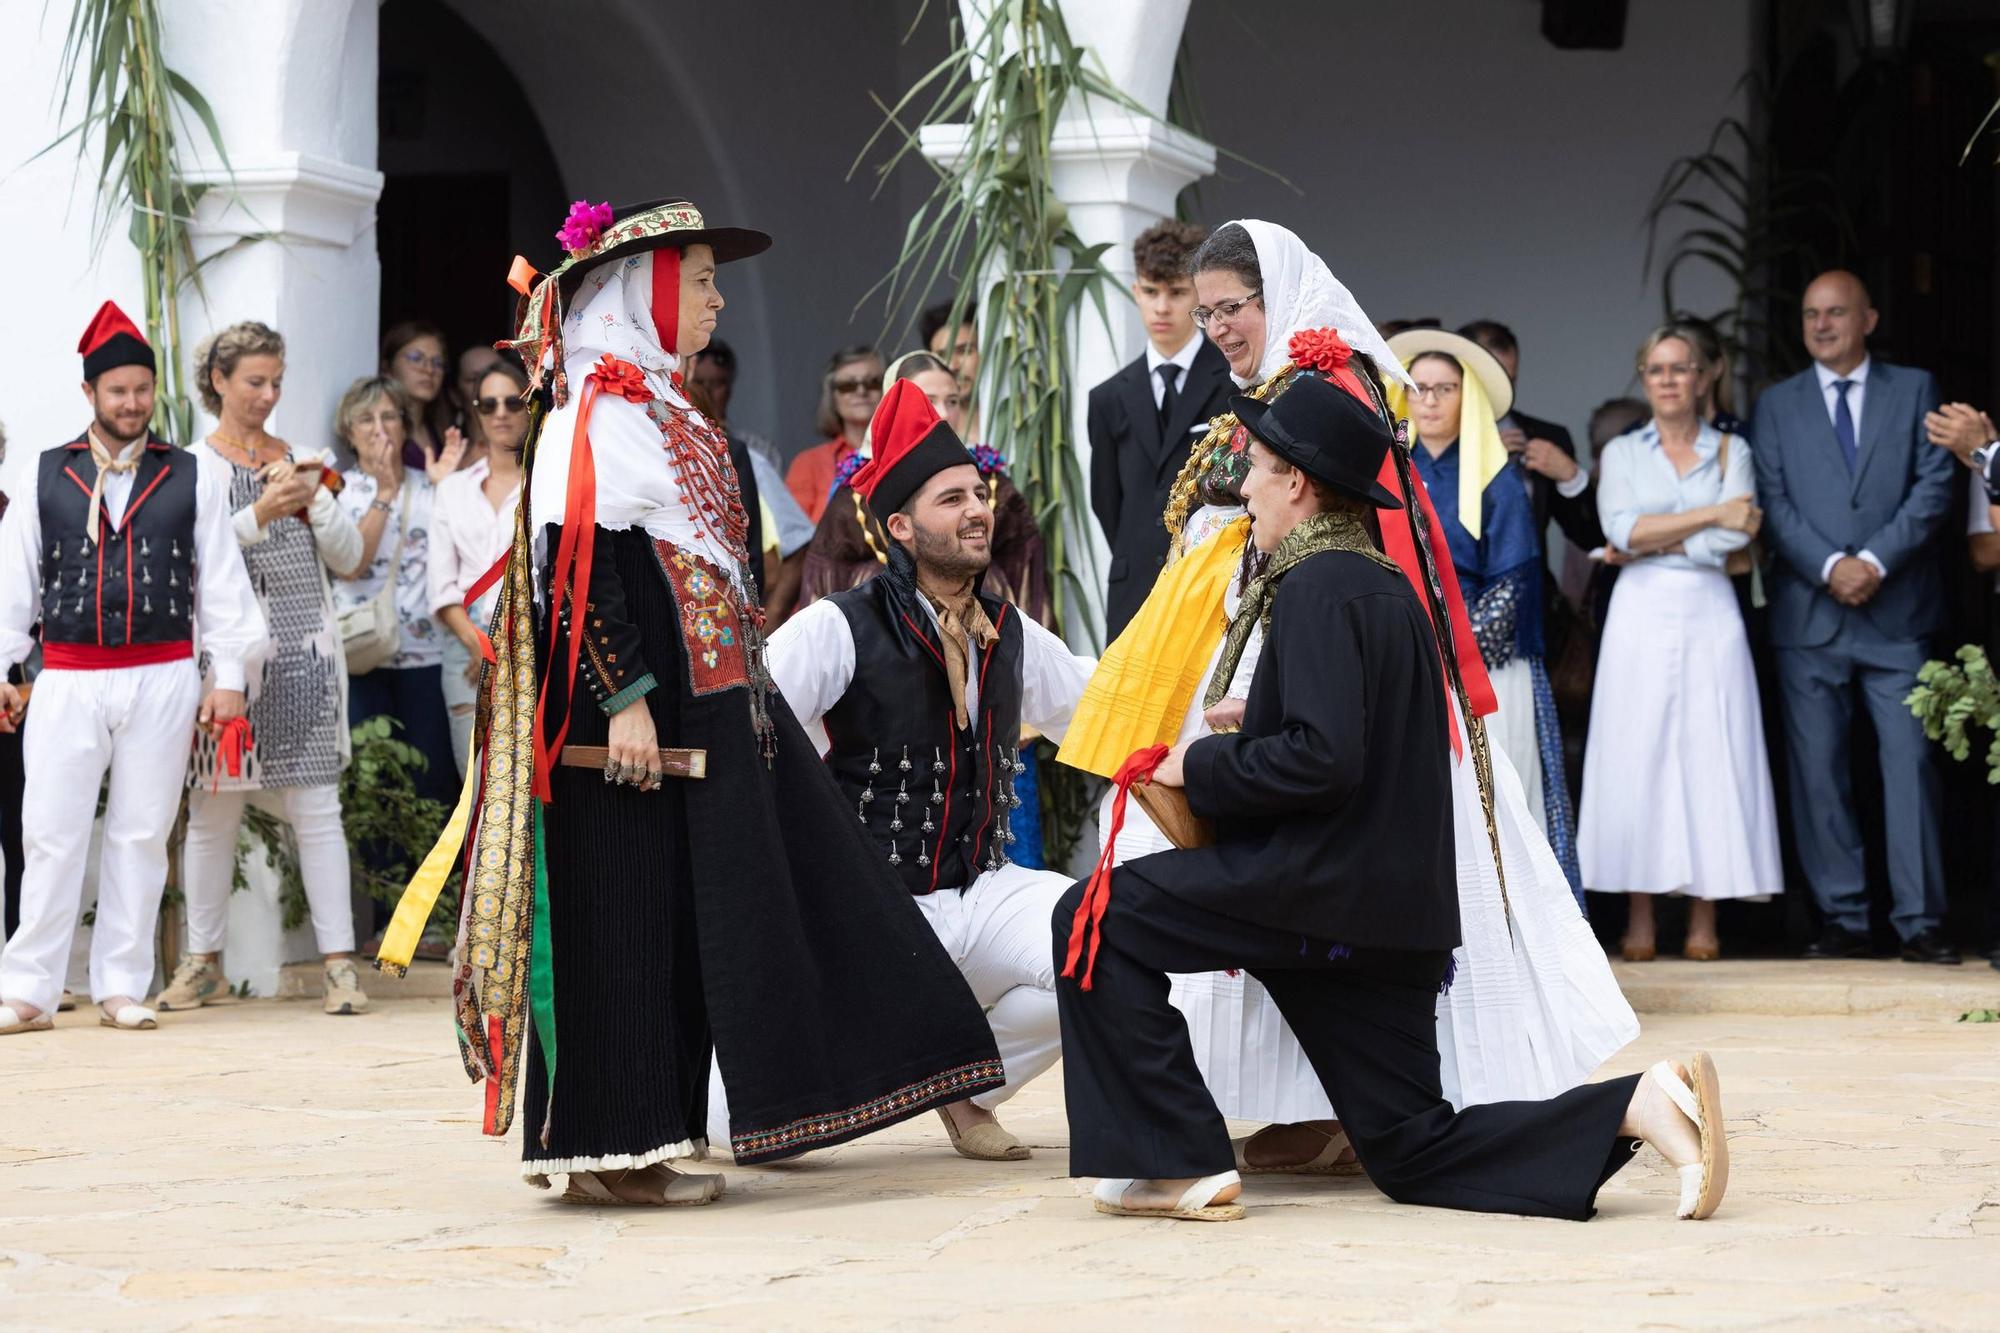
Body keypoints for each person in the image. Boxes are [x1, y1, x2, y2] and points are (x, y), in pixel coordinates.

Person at [377, 197, 1007, 1207]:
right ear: (649, 291)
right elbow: (582, 568)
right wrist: (622, 698)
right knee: (622, 918)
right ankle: (614, 1152)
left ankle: (659, 1140)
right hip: (628, 720)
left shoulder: (657, 406)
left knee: (680, 921)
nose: (716, 297)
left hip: (699, 704)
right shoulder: (600, 410)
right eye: (701, 280)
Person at [1053, 374, 1728, 1225]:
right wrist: (1257, 719)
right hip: (1385, 917)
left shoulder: (1320, 582)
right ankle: (1642, 1103)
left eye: (1257, 469)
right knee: (1411, 1146)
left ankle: (1172, 1162)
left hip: (1319, 894)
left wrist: (1204, 763)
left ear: (1297, 482)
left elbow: (1322, 763)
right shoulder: (1372, 581)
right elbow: (1344, 740)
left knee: (1095, 914)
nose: (1246, 488)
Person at [1059, 219, 1632, 1174]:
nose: (1216, 329)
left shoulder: (1330, 407)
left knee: (1204, 897)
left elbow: (1348, 641)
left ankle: (1224, 1137)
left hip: (1329, 693)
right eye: (1201, 315)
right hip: (1280, 658)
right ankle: (1310, 1102)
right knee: (1299, 943)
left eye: (1230, 308)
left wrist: (1211, 757)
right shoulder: (1267, 409)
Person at [765, 380, 1095, 1159]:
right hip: (866, 921)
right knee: (738, 1126)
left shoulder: (1011, 634)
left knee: (1099, 940)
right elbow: (754, 731)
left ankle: (963, 1087)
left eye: (978, 494)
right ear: (903, 527)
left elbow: (1103, 711)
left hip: (980, 894)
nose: (978, 509)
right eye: (952, 499)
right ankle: (875, 1080)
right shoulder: (835, 628)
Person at [0, 302, 266, 1035]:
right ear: (90, 393)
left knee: (142, 833)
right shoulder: (44, 474)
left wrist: (229, 676)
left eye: (141, 389)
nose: (131, 403)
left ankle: (120, 984)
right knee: (49, 830)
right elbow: (12, 583)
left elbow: (221, 584)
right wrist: (4, 666)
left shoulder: (188, 474)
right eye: (117, 390)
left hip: (163, 673)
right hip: (70, 674)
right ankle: (29, 989)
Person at [162, 321, 370, 1016]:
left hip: (305, 655)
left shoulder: (303, 458)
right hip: (228, 667)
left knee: (317, 809)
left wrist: (310, 501)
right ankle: (203, 961)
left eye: (276, 381)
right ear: (218, 381)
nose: (267, 395)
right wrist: (256, 513)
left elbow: (347, 558)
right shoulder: (192, 466)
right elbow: (193, 566)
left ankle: (341, 964)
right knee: (212, 811)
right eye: (254, 381)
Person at [1751, 270, 1958, 964]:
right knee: (1818, 774)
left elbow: (1936, 484)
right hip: (1811, 614)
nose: (1821, 324)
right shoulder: (1776, 403)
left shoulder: (1915, 387)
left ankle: (1920, 921)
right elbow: (1771, 501)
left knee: (1911, 768)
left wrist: (1872, 560)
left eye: (1836, 312)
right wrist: (1829, 566)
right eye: (1811, 313)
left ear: (1868, 318)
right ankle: (1843, 919)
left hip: (1896, 612)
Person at [1579, 325, 1782, 961]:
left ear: (1703, 377)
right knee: (1638, 753)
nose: (1668, 381)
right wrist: (1708, 515)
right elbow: (1619, 528)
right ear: (1644, 379)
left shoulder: (1731, 450)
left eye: (1680, 369)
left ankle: (1705, 917)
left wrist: (1658, 534)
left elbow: (1737, 535)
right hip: (1639, 611)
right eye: (1656, 370)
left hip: (1709, 609)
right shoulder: (1621, 454)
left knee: (1712, 751)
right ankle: (1639, 917)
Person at [1391, 327, 1581, 893]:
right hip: (1404, 659)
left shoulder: (1499, 480)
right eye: (1419, 388)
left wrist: (1450, 649)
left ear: (1466, 397)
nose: (1428, 400)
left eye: (1444, 388)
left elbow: (1513, 584)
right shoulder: (1388, 477)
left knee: (1502, 795)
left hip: (1484, 668)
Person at [1088, 220, 1236, 639]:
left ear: (1198, 296)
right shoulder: (1107, 398)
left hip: (1209, 582)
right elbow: (1107, 502)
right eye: (1151, 292)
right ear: (1136, 291)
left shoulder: (1233, 384)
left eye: (1176, 292)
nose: (1162, 307)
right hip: (1132, 588)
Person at [331, 376, 458, 807]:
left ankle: (431, 875)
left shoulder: (432, 486)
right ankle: (377, 876)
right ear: (349, 431)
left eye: (389, 416)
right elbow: (349, 566)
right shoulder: (337, 492)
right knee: (372, 783)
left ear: (405, 426)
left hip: (425, 655)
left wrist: (449, 486)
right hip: (361, 652)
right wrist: (385, 493)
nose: (379, 428)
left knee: (432, 779)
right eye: (366, 419)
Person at [431, 360, 529, 773]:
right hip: (464, 646)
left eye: (511, 401)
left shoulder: (549, 484)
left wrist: (504, 649)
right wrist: (480, 646)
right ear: (477, 412)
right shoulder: (453, 489)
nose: (501, 413)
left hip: (529, 642)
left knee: (524, 788)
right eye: (488, 405)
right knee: (471, 793)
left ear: (530, 405)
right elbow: (441, 586)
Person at [686, 339, 814, 617]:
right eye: (700, 382)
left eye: (715, 384)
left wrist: (769, 625)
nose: (706, 391)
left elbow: (785, 548)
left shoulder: (747, 454)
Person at [1458, 319, 1604, 553]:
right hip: (1452, 586)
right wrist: (1480, 466)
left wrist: (1571, 477)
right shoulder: (1424, 436)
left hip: (1532, 585)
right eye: (1491, 381)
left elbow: (1593, 541)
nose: (1502, 391)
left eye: (1510, 381)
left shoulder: (1547, 437)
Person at [785, 345, 883, 523]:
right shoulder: (808, 464)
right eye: (848, 386)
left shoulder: (905, 454)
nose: (861, 391)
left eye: (873, 382)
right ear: (832, 398)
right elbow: (797, 540)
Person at [381, 321, 465, 474]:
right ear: (388, 367)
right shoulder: (379, 430)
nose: (429, 369)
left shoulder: (444, 429)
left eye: (437, 362)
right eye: (416, 358)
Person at [923, 299, 981, 437]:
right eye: (942, 355)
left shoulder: (1014, 422)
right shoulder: (923, 438)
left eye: (964, 351)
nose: (952, 366)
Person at [451, 343, 503, 459]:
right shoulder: (450, 459)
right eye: (474, 379)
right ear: (455, 396)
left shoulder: (535, 447)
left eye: (497, 375)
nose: (487, 384)